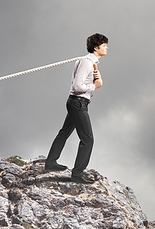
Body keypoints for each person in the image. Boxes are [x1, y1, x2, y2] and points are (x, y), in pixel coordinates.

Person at [45, 33, 109, 184]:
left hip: (78, 102)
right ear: (96, 47)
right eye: (104, 45)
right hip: (78, 103)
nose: (107, 48)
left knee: (64, 132)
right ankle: (78, 173)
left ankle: (50, 163)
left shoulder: (89, 62)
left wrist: (94, 81)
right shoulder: (86, 62)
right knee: (88, 139)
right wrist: (95, 86)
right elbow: (77, 86)